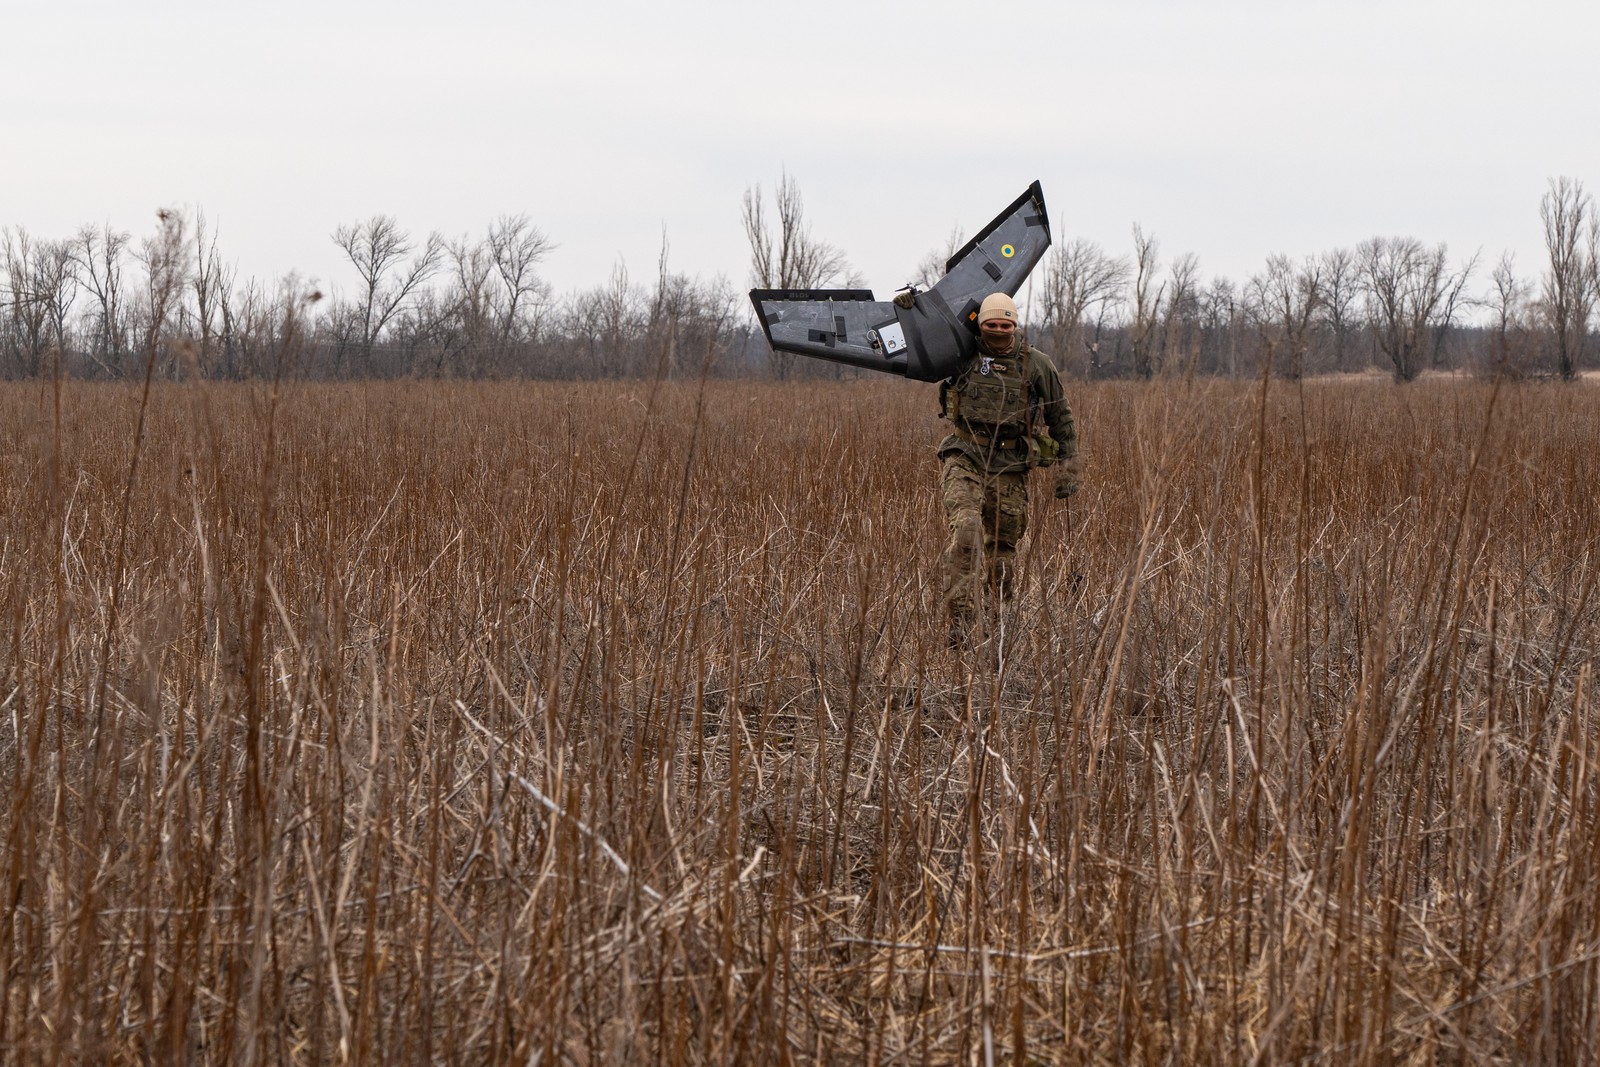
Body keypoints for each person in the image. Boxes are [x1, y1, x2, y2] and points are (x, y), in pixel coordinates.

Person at [917, 291, 1078, 644]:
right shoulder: (961, 356)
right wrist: (911, 314)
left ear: (1015, 326)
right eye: (992, 325)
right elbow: (918, 353)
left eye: (1006, 325)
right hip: (965, 455)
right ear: (981, 325)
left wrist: (1068, 469)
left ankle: (998, 624)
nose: (999, 331)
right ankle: (960, 623)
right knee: (967, 530)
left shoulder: (1036, 364)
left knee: (1003, 550)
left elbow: (1060, 417)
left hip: (1012, 464)